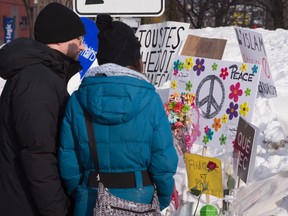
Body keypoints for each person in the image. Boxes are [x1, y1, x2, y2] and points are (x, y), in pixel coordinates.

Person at [58, 14, 178, 216]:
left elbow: (68, 162)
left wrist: (82, 192)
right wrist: (161, 199)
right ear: (134, 58)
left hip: (90, 198)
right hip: (140, 200)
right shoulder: (150, 99)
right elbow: (163, 163)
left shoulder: (78, 100)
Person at [0, 3, 86, 216]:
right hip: (26, 205)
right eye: (79, 40)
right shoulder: (38, 81)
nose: (83, 47)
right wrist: (58, 211)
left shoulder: (44, 75)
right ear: (60, 39)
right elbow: (38, 155)